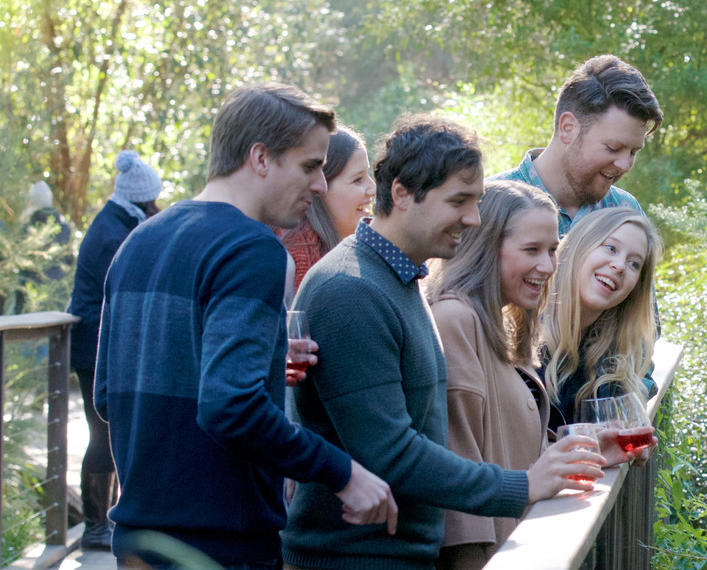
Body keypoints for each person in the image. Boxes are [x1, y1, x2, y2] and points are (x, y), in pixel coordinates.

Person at [283, 115, 620, 568]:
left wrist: (576, 450)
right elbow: (391, 453)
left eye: (477, 201)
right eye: (459, 201)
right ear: (401, 192)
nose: (473, 218)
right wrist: (522, 486)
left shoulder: (398, 280)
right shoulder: (351, 291)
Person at [94, 83, 395, 569]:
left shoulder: (138, 242)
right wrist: (343, 473)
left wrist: (262, 366)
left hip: (138, 543)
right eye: (309, 165)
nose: (319, 185)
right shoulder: (251, 250)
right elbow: (230, 406)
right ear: (260, 157)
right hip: (222, 546)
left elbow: (109, 394)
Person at [427, 180, 560, 568]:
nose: (548, 266)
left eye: (552, 250)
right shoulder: (455, 320)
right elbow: (458, 472)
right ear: (485, 248)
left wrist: (587, 450)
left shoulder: (499, 321)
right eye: (531, 250)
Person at [62, 150, 161, 550]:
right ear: (140, 200)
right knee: (102, 434)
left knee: (114, 431)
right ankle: (96, 526)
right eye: (152, 201)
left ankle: (112, 519)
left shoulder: (120, 223)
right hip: (93, 346)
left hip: (104, 343)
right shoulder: (112, 235)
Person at [489, 55, 664, 235]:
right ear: (568, 128)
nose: (625, 165)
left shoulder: (626, 211)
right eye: (613, 148)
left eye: (633, 152)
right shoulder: (488, 206)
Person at [540, 207, 662, 431]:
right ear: (580, 246)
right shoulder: (522, 338)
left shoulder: (615, 359)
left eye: (634, 263)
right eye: (610, 248)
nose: (619, 266)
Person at [279, 126, 375, 289]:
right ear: (319, 187)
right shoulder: (297, 257)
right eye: (358, 179)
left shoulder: (370, 245)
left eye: (369, 175)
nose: (373, 189)